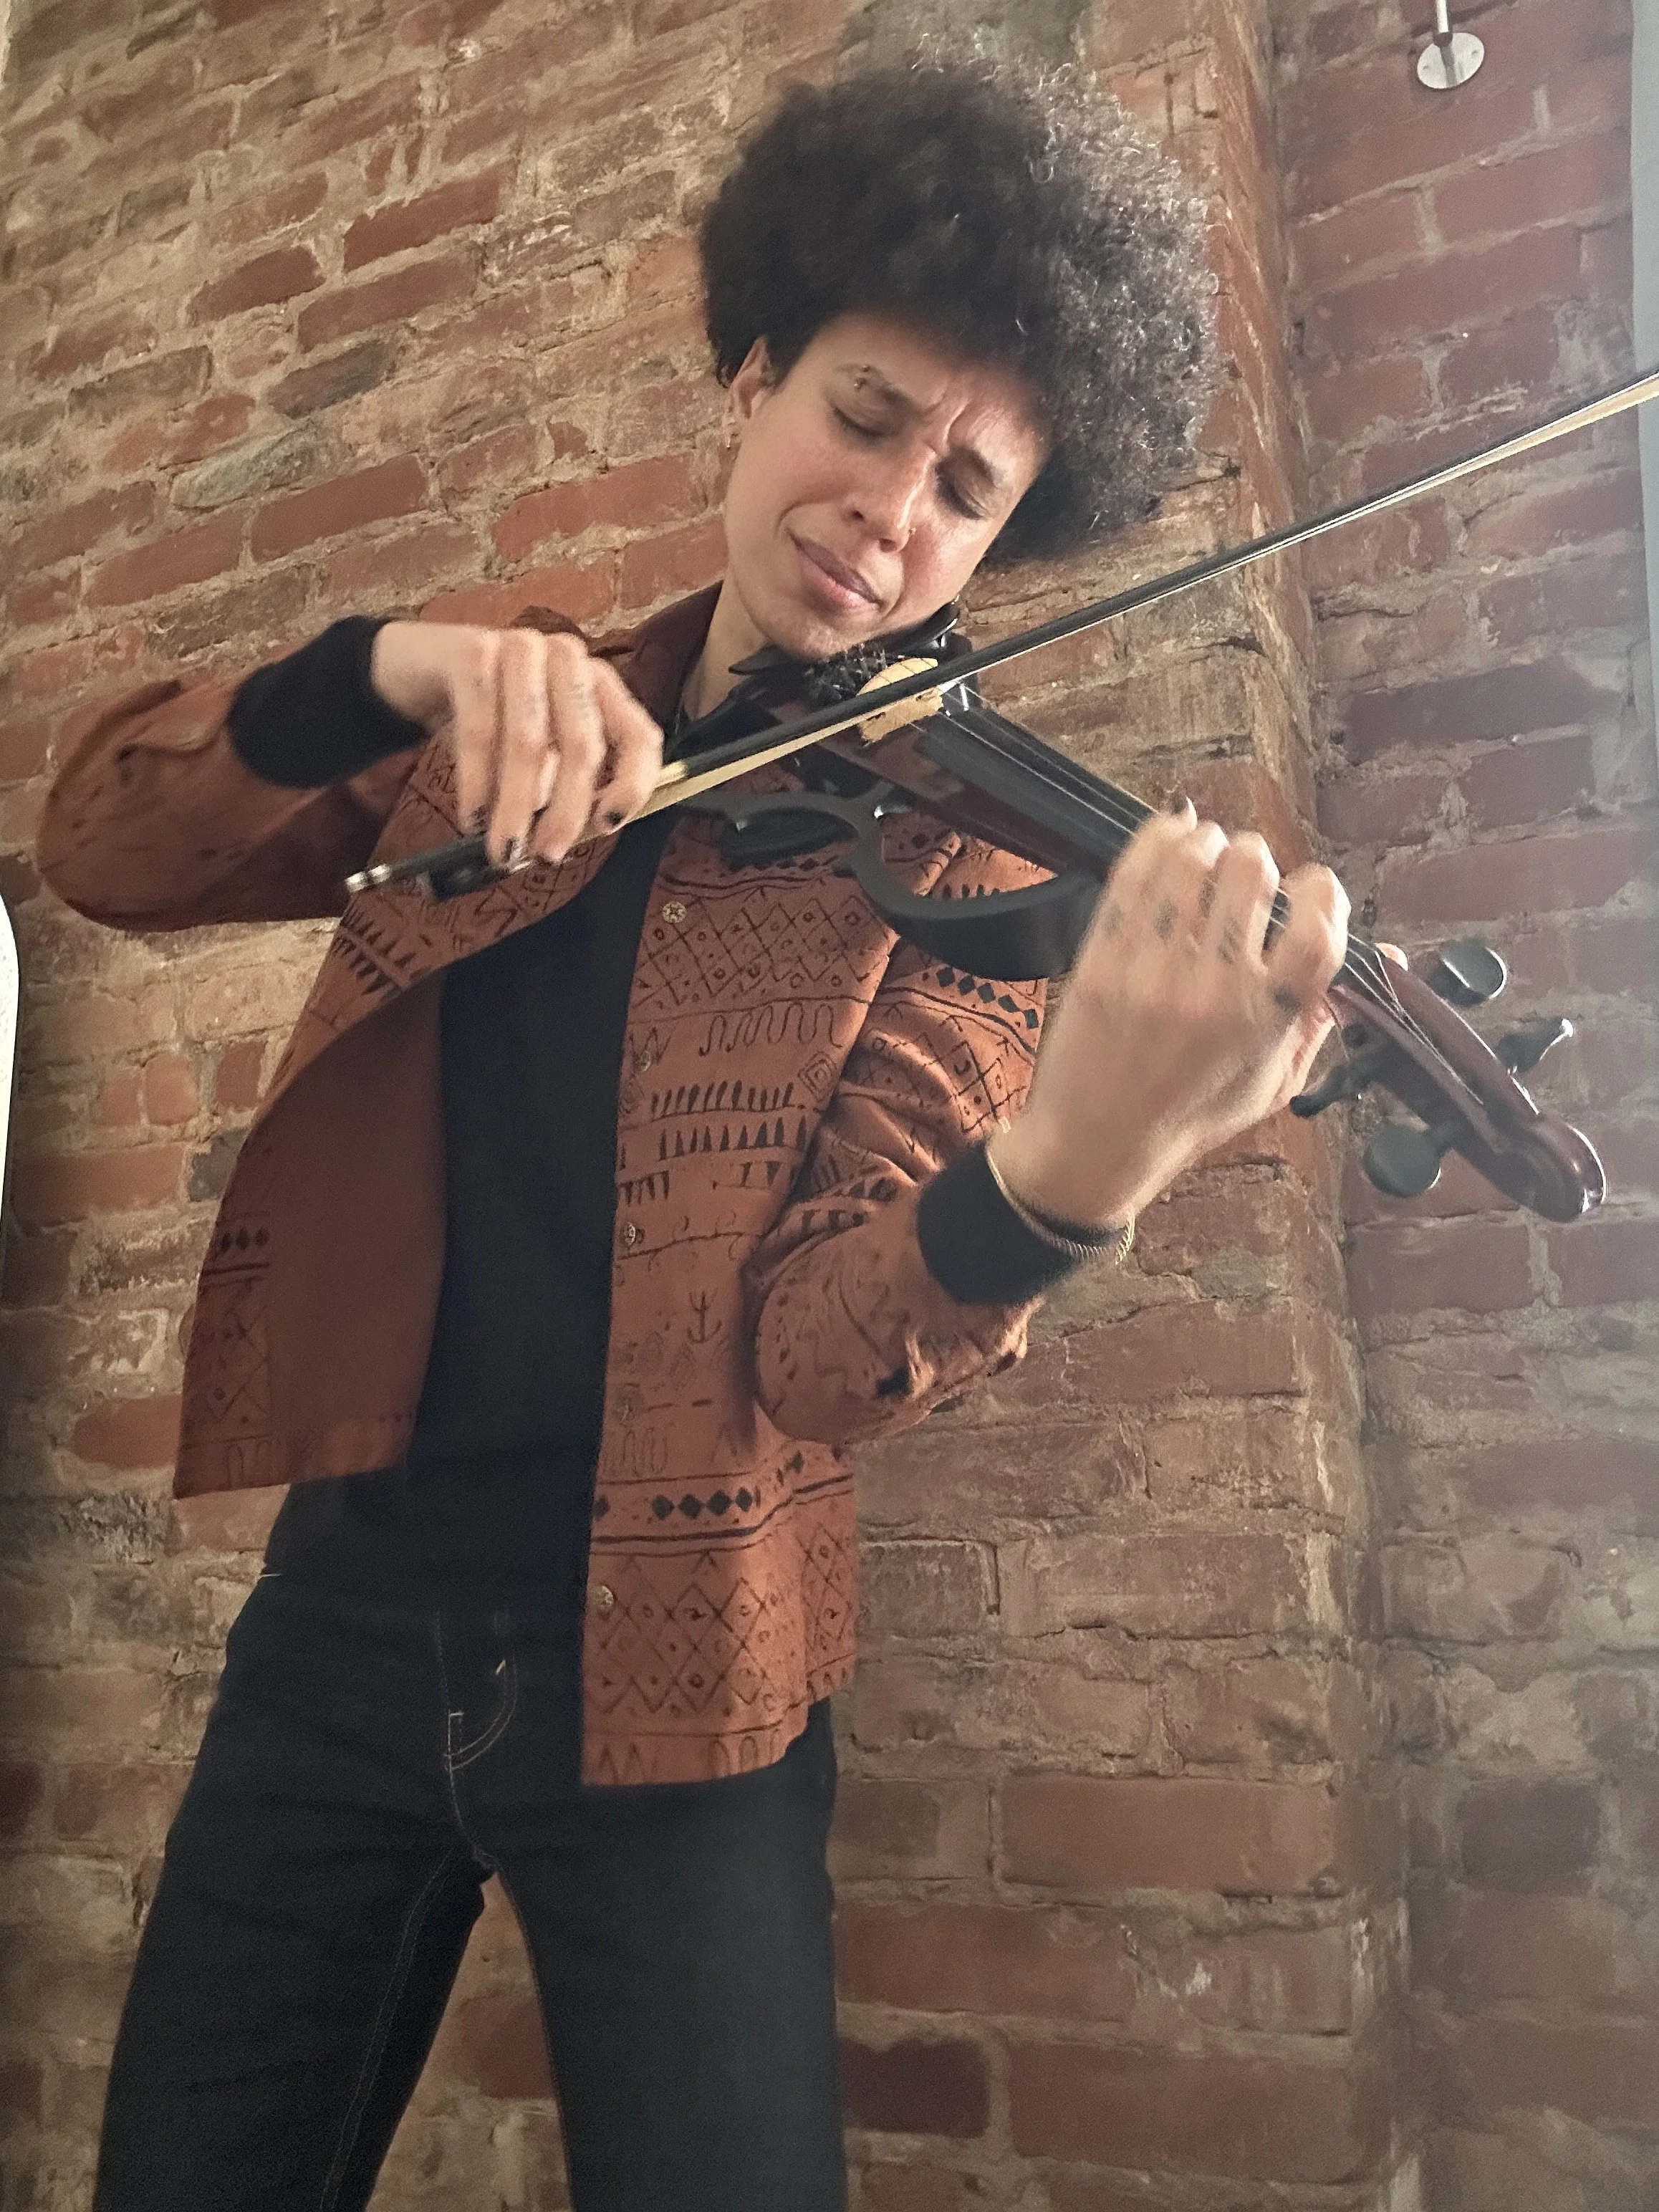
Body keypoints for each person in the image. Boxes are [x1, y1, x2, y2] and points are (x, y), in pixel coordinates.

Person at [38, 51, 1348, 2212]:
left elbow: (815, 1361)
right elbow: (105, 846)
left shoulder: (954, 873)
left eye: (966, 487)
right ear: (753, 375)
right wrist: (383, 664)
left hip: (689, 1659)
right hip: (342, 1619)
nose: (891, 512)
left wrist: (1068, 1183)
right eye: (863, 414)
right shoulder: (513, 707)